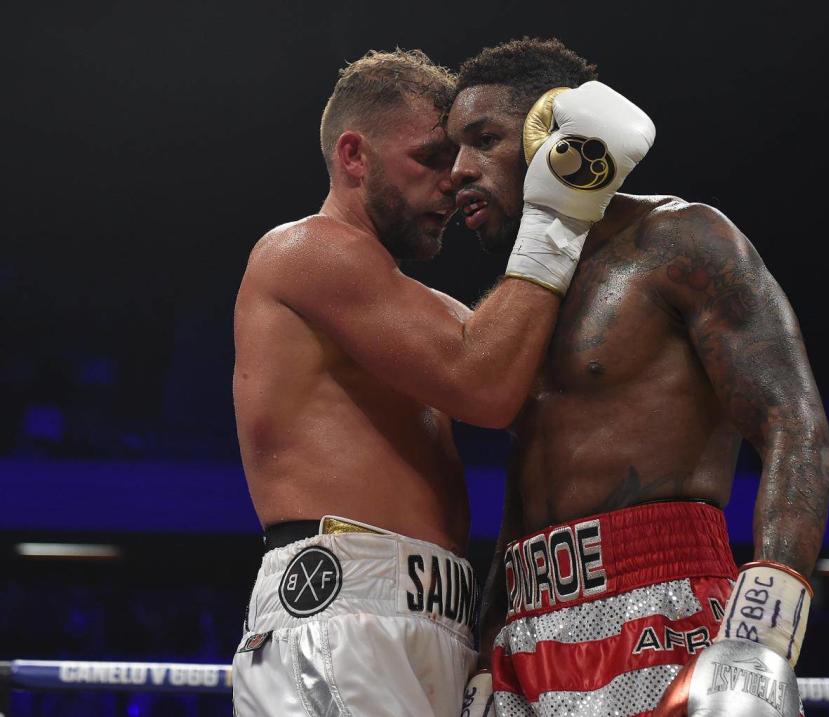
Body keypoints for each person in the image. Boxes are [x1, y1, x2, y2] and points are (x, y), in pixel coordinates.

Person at [231, 48, 653, 716]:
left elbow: (520, 374)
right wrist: (558, 210)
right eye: (430, 158)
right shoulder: (303, 252)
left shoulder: (432, 316)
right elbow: (481, 384)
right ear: (353, 155)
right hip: (341, 616)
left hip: (437, 620)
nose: (453, 182)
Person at [447, 38, 829, 717]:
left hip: (665, 605)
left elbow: (792, 423)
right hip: (525, 634)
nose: (458, 171)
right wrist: (485, 648)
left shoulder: (682, 241)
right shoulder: (524, 303)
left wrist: (763, 631)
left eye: (483, 139)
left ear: (554, 131)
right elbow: (526, 492)